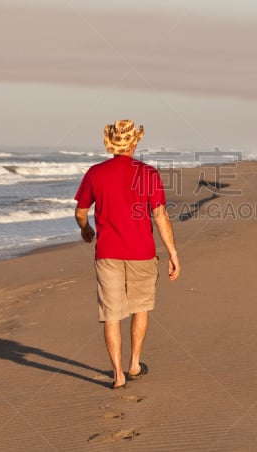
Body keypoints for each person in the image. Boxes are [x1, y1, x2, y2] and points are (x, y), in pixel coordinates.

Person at [74, 119, 180, 389]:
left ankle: (118, 376)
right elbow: (160, 215)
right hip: (141, 252)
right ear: (135, 142)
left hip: (107, 253)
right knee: (140, 308)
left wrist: (86, 230)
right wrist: (173, 253)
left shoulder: (96, 173)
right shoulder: (147, 174)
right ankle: (134, 364)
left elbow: (80, 211)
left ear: (111, 144)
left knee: (111, 315)